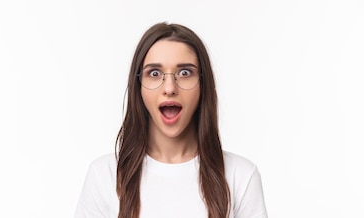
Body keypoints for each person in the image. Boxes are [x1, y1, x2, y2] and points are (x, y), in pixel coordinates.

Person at [75, 22, 268, 218]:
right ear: (139, 86)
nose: (169, 88)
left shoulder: (241, 176)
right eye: (154, 73)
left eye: (184, 73)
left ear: (203, 85)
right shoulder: (104, 176)